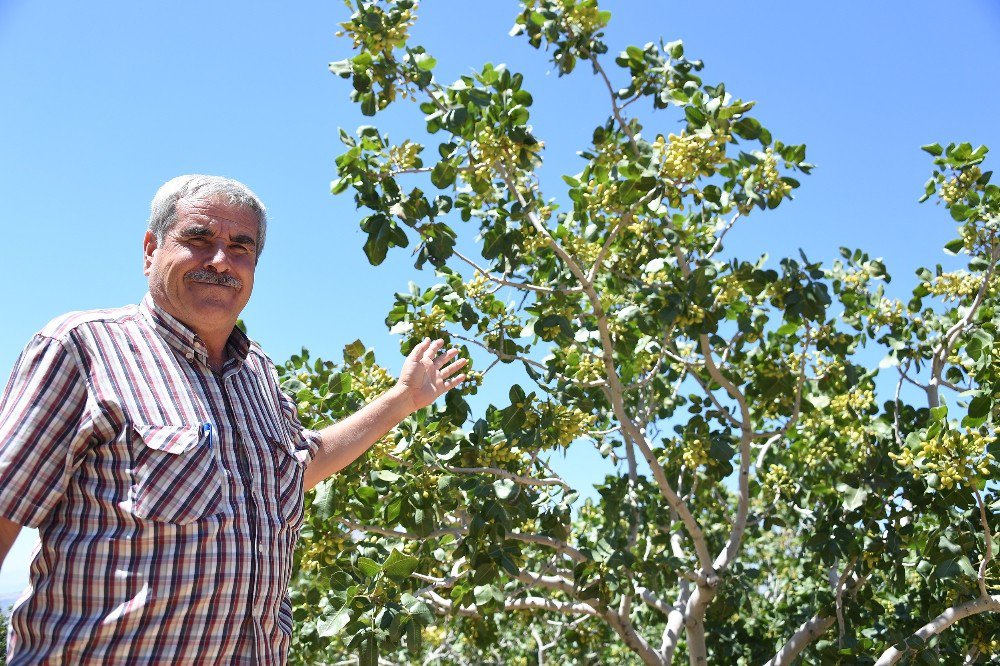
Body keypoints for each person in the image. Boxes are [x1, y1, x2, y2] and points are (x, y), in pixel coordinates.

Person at [0, 175, 467, 664]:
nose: (221, 260)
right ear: (150, 250)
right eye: (199, 238)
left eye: (240, 247)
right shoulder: (82, 349)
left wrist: (400, 401)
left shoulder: (258, 373)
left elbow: (297, 466)